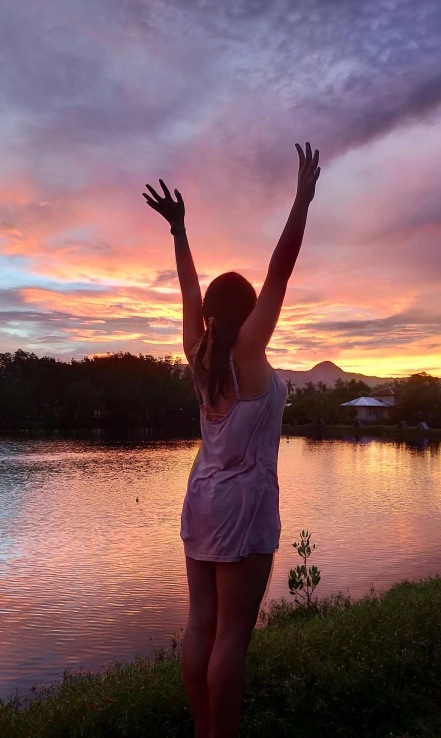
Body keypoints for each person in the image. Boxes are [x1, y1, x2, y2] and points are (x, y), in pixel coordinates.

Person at [143, 141, 320, 738]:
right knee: (231, 639)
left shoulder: (200, 354)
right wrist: (301, 200)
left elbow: (188, 292)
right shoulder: (248, 349)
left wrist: (179, 231)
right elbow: (281, 269)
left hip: (200, 496)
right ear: (246, 313)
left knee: (200, 625)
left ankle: (203, 730)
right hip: (242, 507)